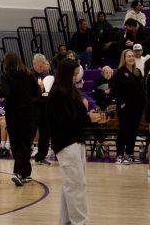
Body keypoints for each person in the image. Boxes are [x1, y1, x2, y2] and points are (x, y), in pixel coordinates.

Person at [47, 59, 107, 225]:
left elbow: (80, 117)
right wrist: (87, 117)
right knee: (76, 185)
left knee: (72, 184)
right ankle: (80, 222)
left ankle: (66, 221)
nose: (76, 77)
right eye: (73, 74)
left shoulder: (71, 92)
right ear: (66, 74)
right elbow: (65, 121)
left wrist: (93, 118)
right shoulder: (57, 93)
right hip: (66, 143)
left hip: (77, 141)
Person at [0, 52, 40, 187]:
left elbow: (4, 93)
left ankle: (17, 173)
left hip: (12, 114)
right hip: (28, 114)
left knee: (16, 144)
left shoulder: (6, 76)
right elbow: (37, 92)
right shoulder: (29, 75)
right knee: (25, 144)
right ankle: (25, 173)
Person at [110, 49, 146, 164]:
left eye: (132, 56)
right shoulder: (120, 72)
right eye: (128, 56)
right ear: (124, 59)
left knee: (133, 131)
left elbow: (141, 89)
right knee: (124, 130)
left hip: (137, 106)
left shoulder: (138, 72)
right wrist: (121, 102)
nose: (131, 58)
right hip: (125, 107)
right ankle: (119, 155)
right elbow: (114, 89)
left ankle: (129, 154)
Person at [30, 53, 51, 166]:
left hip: (44, 106)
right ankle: (25, 154)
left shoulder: (46, 74)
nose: (41, 68)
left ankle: (41, 156)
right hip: (33, 106)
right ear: (34, 64)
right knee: (31, 131)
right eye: (39, 66)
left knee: (45, 132)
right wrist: (39, 87)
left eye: (43, 66)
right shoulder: (29, 74)